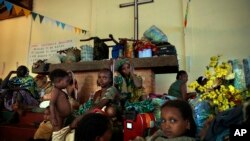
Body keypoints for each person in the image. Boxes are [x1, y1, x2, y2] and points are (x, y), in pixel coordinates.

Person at [48, 69, 72, 136]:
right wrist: (53, 117)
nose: (67, 83)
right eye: (66, 81)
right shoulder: (55, 91)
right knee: (57, 133)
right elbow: (51, 104)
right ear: (59, 81)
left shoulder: (60, 91)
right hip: (57, 116)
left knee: (61, 133)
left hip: (62, 116)